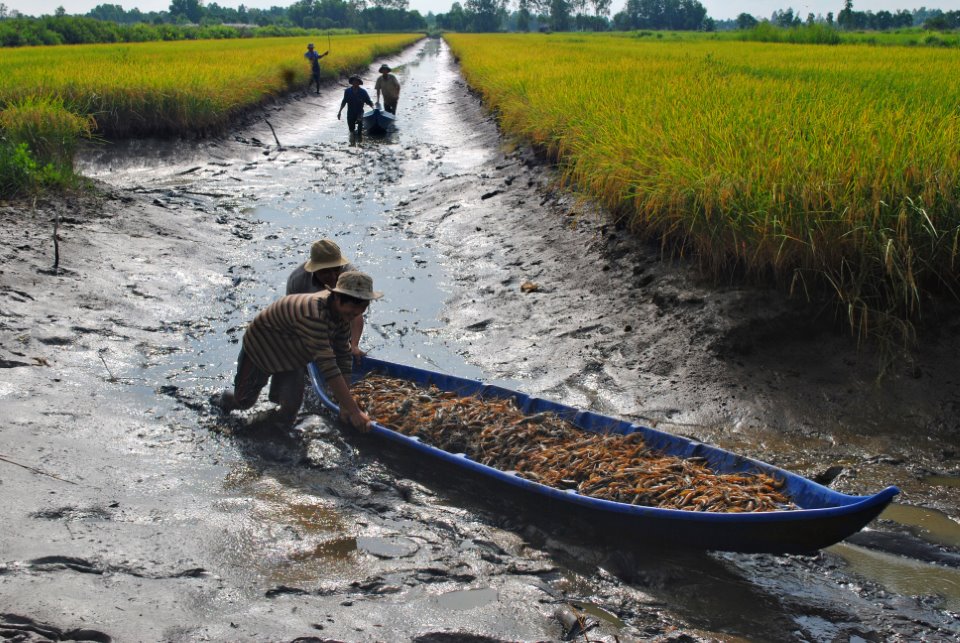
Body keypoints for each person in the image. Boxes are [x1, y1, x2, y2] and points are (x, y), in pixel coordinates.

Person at [215, 271, 383, 429]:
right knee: (243, 402)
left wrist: (345, 404)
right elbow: (328, 365)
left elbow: (343, 355)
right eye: (353, 306)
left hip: (292, 355)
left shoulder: (343, 315)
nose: (357, 312)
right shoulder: (314, 313)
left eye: (362, 307)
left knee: (290, 410)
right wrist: (354, 411)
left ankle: (265, 435)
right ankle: (221, 401)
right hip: (262, 348)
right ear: (337, 297)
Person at [286, 238, 365, 357]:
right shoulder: (298, 280)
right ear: (315, 270)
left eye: (336, 270)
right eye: (326, 272)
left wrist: (354, 346)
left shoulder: (351, 277)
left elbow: (356, 315)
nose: (333, 277)